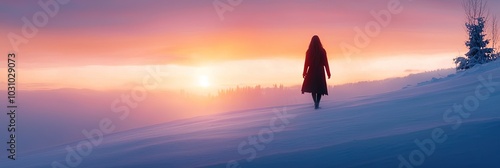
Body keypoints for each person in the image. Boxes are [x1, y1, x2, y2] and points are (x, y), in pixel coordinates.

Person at [301, 35, 331, 109]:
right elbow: (326, 62)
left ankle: (315, 102)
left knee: (313, 88)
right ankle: (317, 103)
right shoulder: (322, 51)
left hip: (312, 72)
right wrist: (328, 72)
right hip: (320, 72)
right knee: (319, 89)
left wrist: (304, 72)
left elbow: (306, 63)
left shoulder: (309, 51)